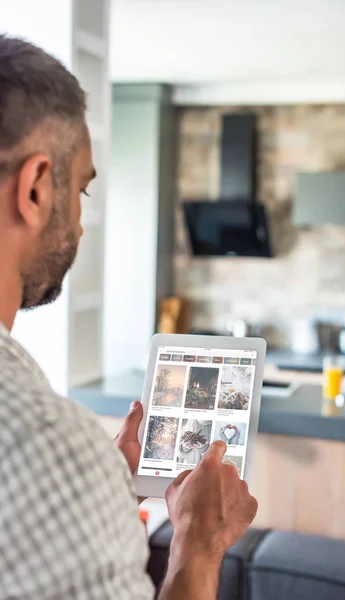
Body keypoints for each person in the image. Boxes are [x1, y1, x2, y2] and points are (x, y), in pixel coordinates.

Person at [0, 34, 258, 599]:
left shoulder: (55, 458)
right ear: (37, 188)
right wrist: (198, 541)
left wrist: (100, 491)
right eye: (83, 192)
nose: (82, 224)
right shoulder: (43, 442)